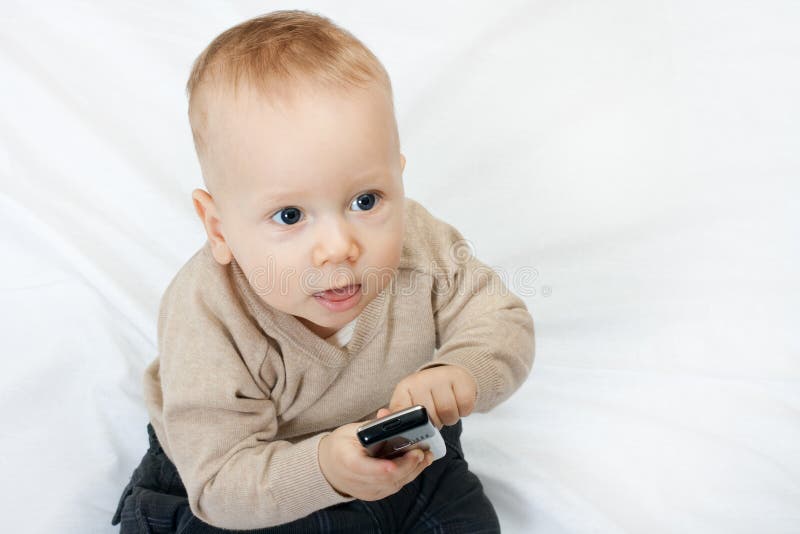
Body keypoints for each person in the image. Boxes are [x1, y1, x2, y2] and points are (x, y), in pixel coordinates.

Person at [112, 9, 535, 533]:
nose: (338, 248)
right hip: (256, 479)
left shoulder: (420, 244)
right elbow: (220, 484)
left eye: (365, 200)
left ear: (398, 179)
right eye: (290, 216)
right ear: (218, 228)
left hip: (397, 448)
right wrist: (327, 469)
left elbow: (501, 319)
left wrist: (463, 370)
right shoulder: (206, 315)